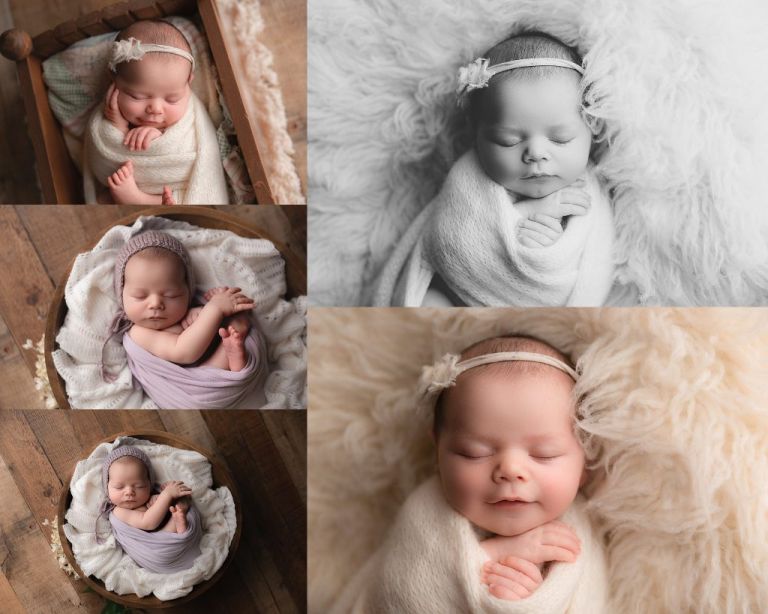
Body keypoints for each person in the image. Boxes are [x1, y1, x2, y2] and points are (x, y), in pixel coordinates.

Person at [374, 32, 614, 307]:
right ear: (476, 136)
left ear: (591, 127)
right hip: (459, 299)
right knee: (429, 307)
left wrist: (545, 248)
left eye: (560, 138)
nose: (535, 154)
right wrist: (528, 214)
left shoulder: (592, 195)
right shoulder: (469, 180)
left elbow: (594, 273)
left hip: (543, 323)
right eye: (508, 141)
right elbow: (451, 243)